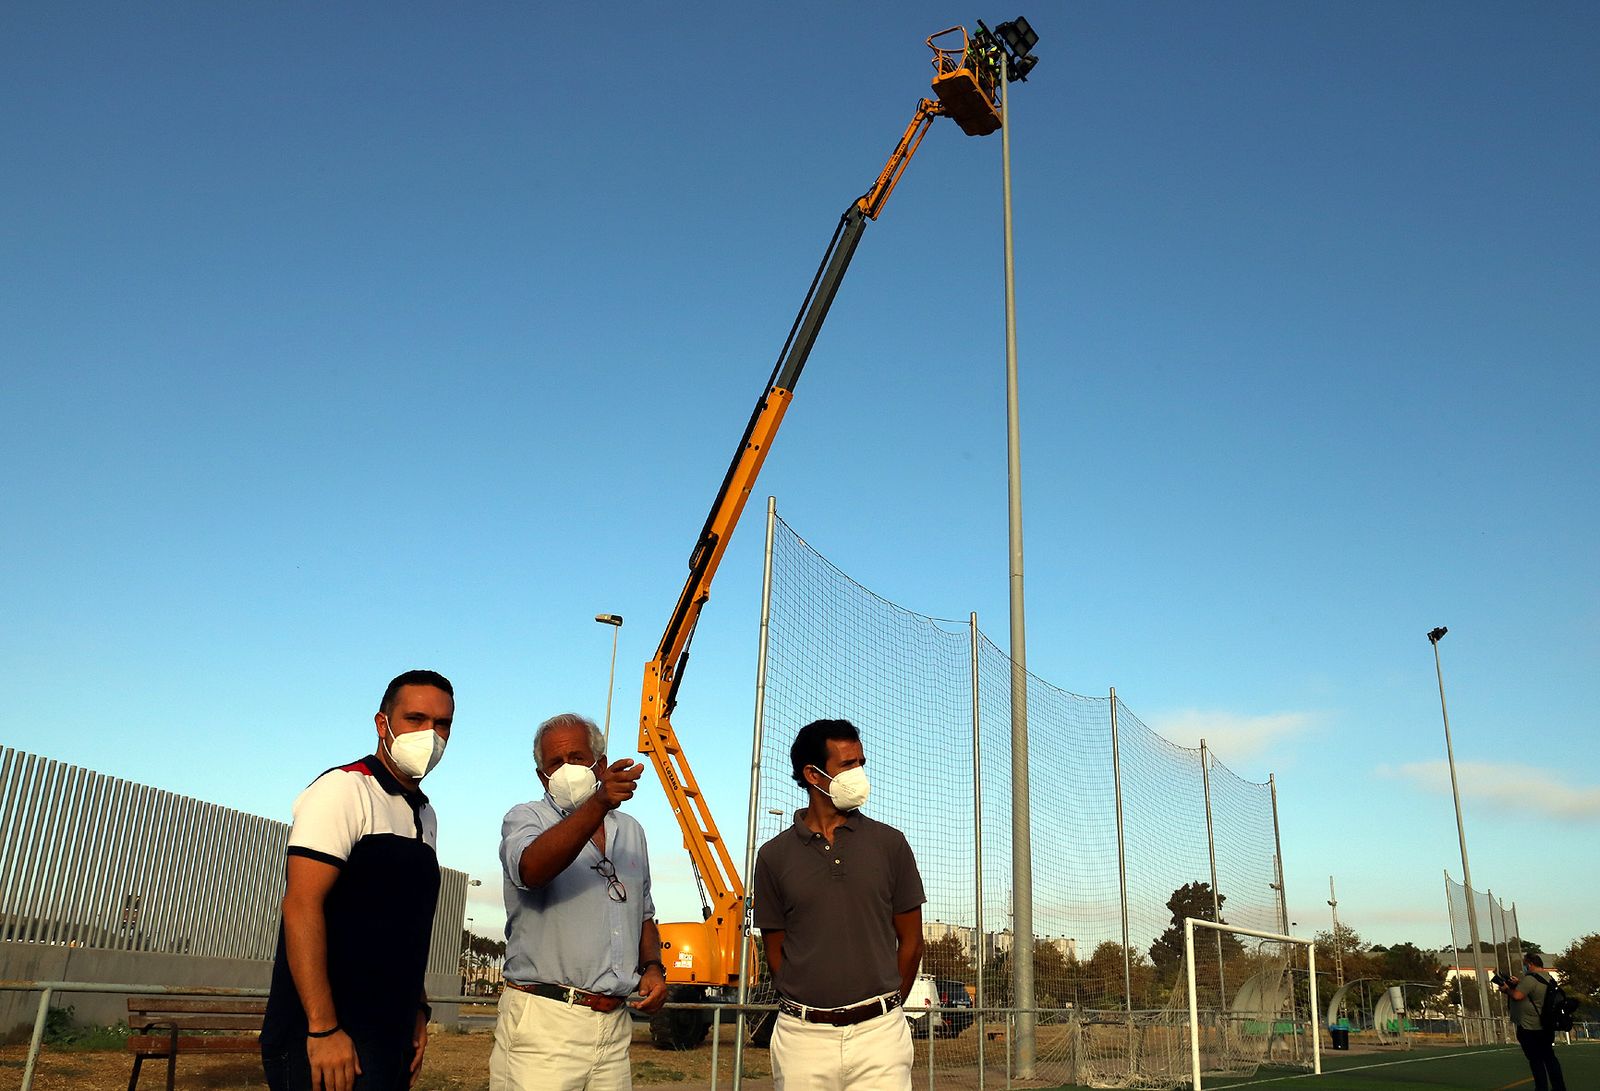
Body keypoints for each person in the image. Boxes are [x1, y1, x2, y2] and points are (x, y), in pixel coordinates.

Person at [261, 669, 455, 1091]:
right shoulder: (344, 790)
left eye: (442, 724)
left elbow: (402, 928)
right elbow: (300, 905)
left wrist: (418, 1011)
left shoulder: (424, 813)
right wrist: (323, 1028)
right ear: (382, 724)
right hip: (331, 1041)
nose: (430, 734)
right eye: (416, 719)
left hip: (391, 1037)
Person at [490, 713, 667, 1091]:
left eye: (577, 757)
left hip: (614, 1027)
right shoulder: (525, 818)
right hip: (544, 1023)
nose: (567, 769)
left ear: (599, 764)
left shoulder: (631, 830)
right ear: (542, 776)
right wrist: (598, 803)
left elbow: (643, 914)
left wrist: (653, 966)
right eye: (555, 763)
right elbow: (531, 869)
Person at [753, 718, 926, 1091]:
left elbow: (911, 940)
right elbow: (775, 949)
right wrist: (808, 1002)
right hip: (802, 1041)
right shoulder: (773, 857)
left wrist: (889, 1004)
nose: (859, 773)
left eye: (861, 762)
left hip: (881, 1039)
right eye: (847, 765)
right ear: (813, 775)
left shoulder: (891, 844)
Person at [1497, 951, 1568, 1091]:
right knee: (1549, 1058)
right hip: (1546, 1026)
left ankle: (1541, 1087)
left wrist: (1506, 990)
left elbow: (1517, 995)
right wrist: (1519, 983)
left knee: (1536, 1061)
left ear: (1530, 964)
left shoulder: (1530, 979)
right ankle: (1559, 1087)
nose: (1524, 968)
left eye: (1525, 965)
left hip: (1529, 1027)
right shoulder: (1548, 978)